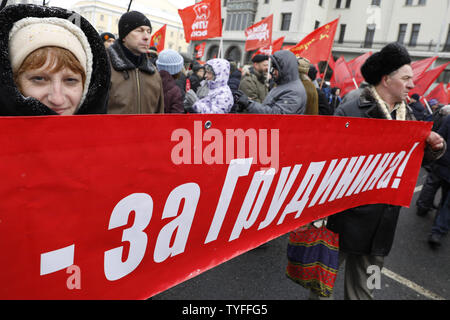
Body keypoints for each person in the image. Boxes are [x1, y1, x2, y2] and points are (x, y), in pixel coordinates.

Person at [321, 42, 446, 300]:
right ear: (387, 80)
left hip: (382, 227)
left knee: (366, 290)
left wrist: (435, 146)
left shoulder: (409, 115)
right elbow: (327, 160)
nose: (413, 85)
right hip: (345, 218)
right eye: (406, 78)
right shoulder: (352, 109)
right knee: (321, 284)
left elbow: (420, 162)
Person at [0, 4, 110, 116]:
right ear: (12, 81)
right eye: (39, 78)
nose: (57, 100)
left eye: (70, 80)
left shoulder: (104, 133)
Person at [106, 10, 164, 114]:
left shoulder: (154, 74)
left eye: (149, 31)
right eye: (139, 30)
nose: (146, 37)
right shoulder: (105, 68)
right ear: (124, 36)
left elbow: (159, 114)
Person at [234, 50, 306, 115]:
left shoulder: (293, 91)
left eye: (275, 68)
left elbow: (277, 115)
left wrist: (249, 104)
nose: (272, 72)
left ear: (285, 69)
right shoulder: (284, 85)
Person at [427, 114, 450, 248]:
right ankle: (438, 230)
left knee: (445, 197)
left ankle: (439, 227)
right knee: (447, 201)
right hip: (445, 165)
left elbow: (440, 140)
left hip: (445, 165)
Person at [155, 49, 184, 114]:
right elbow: (176, 118)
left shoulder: (149, 81)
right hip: (166, 123)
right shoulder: (175, 90)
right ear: (177, 69)